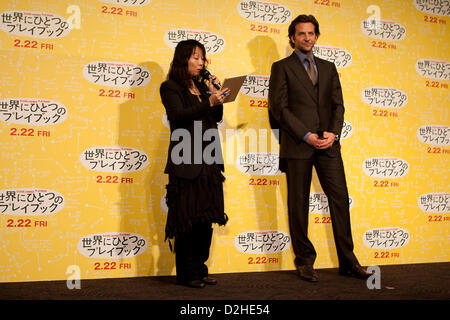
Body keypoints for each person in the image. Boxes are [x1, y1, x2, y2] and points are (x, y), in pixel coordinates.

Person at [268, 14, 369, 282]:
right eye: (301, 33)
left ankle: (348, 262)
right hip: (298, 145)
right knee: (298, 205)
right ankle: (304, 261)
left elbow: (338, 105)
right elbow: (279, 109)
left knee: (339, 201)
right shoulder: (282, 67)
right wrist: (305, 135)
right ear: (292, 38)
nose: (307, 37)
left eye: (311, 33)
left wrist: (333, 134)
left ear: (316, 35)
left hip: (328, 146)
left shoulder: (328, 67)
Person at [160, 39, 230, 288]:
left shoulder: (202, 87)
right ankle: (186, 273)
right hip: (185, 156)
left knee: (205, 218)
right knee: (187, 218)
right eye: (196, 57)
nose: (201, 62)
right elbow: (178, 117)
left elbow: (216, 117)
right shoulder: (170, 87)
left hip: (209, 156)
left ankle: (201, 269)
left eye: (203, 58)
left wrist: (213, 95)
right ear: (183, 59)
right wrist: (207, 102)